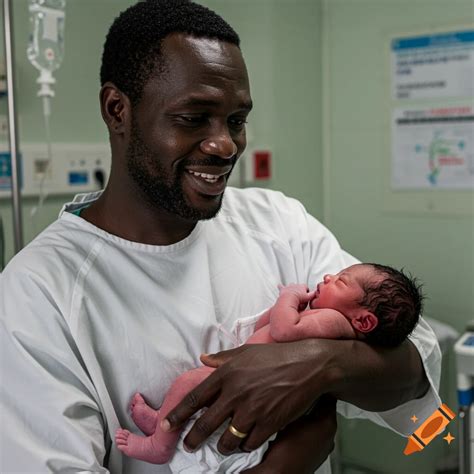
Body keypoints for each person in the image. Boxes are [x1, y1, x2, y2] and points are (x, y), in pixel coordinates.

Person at [0, 1, 442, 473]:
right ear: (117, 111)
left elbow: (416, 362)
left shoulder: (277, 221)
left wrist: (317, 365)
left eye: (236, 120)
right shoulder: (38, 294)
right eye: (194, 117)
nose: (226, 144)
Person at [115, 263, 424, 467]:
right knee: (194, 401)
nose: (329, 277)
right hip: (243, 381)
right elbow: (265, 327)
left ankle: (159, 443)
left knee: (188, 384)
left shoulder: (333, 321)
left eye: (341, 281)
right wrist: (284, 309)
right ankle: (163, 424)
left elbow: (283, 331)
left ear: (364, 320)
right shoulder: (322, 316)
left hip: (241, 384)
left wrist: (288, 298)